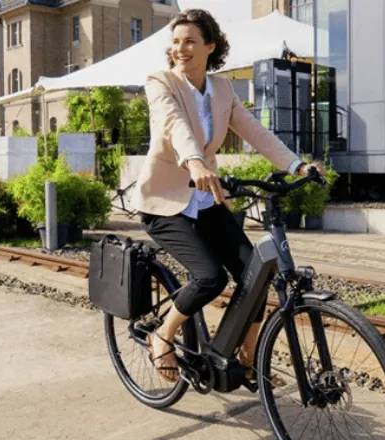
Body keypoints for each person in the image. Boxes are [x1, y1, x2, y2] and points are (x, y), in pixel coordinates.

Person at [130, 8, 325, 382]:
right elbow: (174, 125)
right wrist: (194, 161)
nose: (180, 49)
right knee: (210, 278)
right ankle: (163, 334)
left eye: (189, 41)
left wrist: (297, 165)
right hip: (166, 203)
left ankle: (247, 358)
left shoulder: (222, 89)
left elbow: (255, 131)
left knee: (256, 277)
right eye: (175, 42)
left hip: (207, 200)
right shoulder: (161, 82)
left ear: (210, 47)